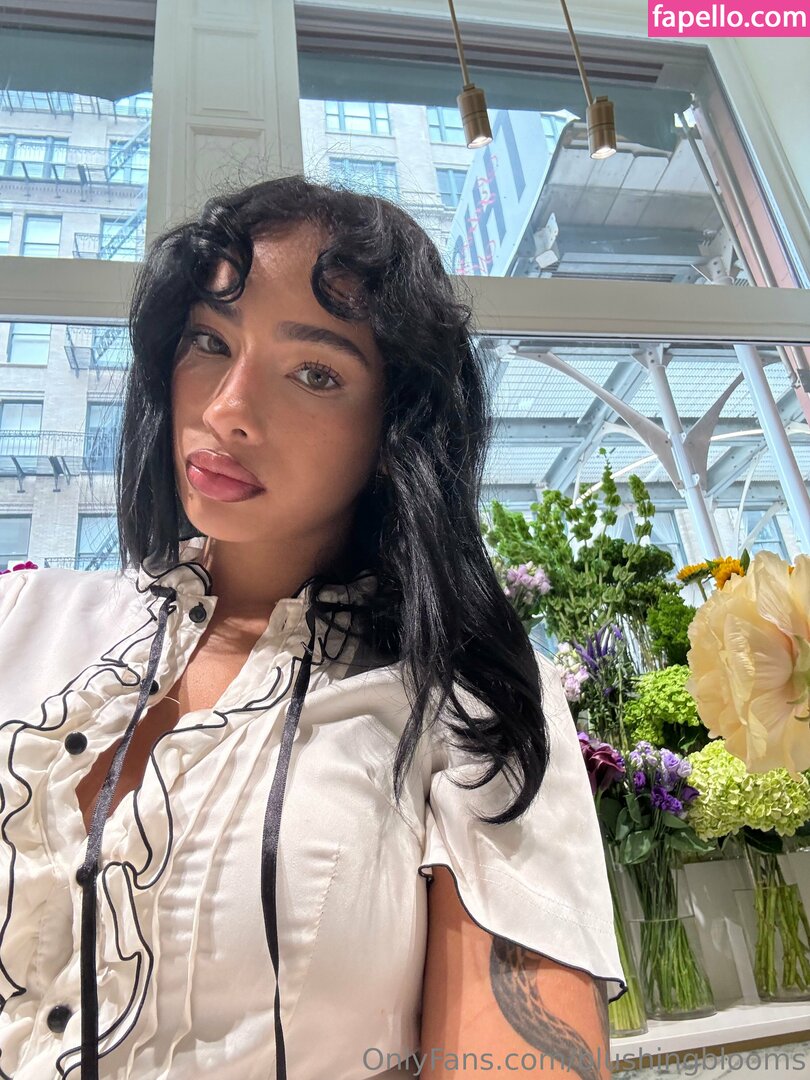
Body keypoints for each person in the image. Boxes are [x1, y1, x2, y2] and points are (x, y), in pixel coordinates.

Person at [0, 174, 625, 1080]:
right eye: (210, 342)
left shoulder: (468, 696)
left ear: (395, 430)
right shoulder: (24, 619)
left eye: (315, 373)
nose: (227, 409)